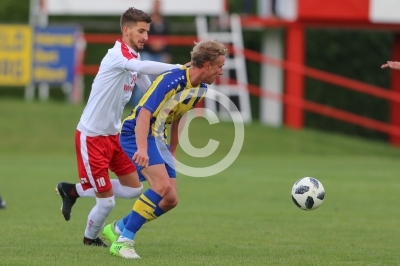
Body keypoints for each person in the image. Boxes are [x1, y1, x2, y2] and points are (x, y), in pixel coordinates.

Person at [55, 7, 185, 247]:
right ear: (126, 30)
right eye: (141, 31)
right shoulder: (116, 55)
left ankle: (72, 190)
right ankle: (89, 239)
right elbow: (143, 69)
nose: (146, 36)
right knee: (107, 202)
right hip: (91, 137)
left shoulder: (134, 58)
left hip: (113, 137)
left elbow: (149, 89)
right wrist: (179, 68)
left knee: (134, 189)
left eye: (147, 31)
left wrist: (172, 104)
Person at [102, 40, 227, 259]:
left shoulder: (200, 89)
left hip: (158, 138)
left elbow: (178, 117)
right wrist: (141, 149)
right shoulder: (171, 80)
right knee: (160, 186)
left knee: (170, 199)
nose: (221, 72)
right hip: (136, 133)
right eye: (219, 66)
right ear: (207, 65)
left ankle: (117, 229)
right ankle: (124, 242)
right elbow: (143, 113)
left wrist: (173, 150)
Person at [129, 0, 171, 108]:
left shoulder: (164, 22)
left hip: (160, 55)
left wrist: (166, 52)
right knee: (143, 80)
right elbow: (140, 36)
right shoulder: (145, 21)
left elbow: (168, 39)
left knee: (159, 82)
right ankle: (136, 106)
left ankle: (151, 107)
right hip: (147, 53)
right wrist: (151, 43)